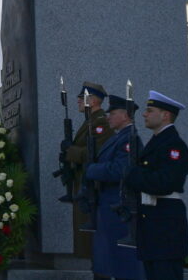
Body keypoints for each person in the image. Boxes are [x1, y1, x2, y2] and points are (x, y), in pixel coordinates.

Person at [124, 90, 188, 280]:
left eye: (150, 110)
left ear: (165, 115)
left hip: (165, 227)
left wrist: (133, 174)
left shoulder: (173, 146)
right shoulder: (159, 142)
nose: (145, 114)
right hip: (154, 226)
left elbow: (164, 183)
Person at [83, 95, 144, 280]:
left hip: (118, 206)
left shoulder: (129, 139)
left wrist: (92, 169)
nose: (108, 116)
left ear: (125, 115)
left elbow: (120, 170)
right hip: (107, 205)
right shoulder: (119, 138)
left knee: (123, 263)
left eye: (113, 113)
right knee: (107, 261)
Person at [62, 82, 113, 256]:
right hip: (82, 182)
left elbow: (97, 152)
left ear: (92, 101)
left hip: (91, 185)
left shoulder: (101, 123)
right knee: (82, 232)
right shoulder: (90, 121)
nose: (77, 100)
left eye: (81, 97)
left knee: (89, 239)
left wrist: (71, 150)